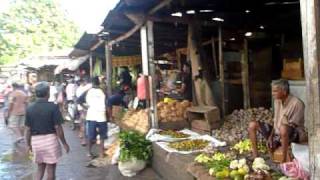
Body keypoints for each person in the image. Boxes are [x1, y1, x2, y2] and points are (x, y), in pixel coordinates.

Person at [248, 79, 307, 163]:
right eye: (272, 91)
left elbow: (292, 126)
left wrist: (277, 140)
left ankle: (283, 160)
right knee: (252, 124)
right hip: (278, 132)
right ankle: (255, 157)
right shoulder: (277, 101)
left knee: (283, 128)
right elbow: (276, 122)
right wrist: (270, 137)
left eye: (275, 91)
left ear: (284, 91)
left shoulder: (298, 103)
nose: (272, 94)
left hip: (294, 134)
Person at [25, 82, 69, 180]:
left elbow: (28, 130)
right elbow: (58, 128)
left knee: (40, 169)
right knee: (51, 169)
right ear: (47, 94)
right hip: (50, 141)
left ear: (36, 94)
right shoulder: (53, 107)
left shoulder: (29, 108)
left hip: (36, 142)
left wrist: (28, 145)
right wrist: (64, 143)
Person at [85, 76, 108, 158]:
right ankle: (101, 153)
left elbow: (81, 101)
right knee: (102, 136)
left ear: (92, 83)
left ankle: (89, 152)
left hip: (91, 115)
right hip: (102, 115)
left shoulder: (88, 92)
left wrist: (87, 108)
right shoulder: (103, 91)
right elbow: (106, 103)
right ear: (99, 83)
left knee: (91, 136)